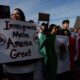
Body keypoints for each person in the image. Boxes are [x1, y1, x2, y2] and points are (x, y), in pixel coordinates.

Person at [4, 8, 36, 80]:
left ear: (22, 16)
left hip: (28, 67)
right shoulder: (4, 28)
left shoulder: (30, 28)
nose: (14, 16)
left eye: (17, 14)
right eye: (12, 14)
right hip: (11, 68)